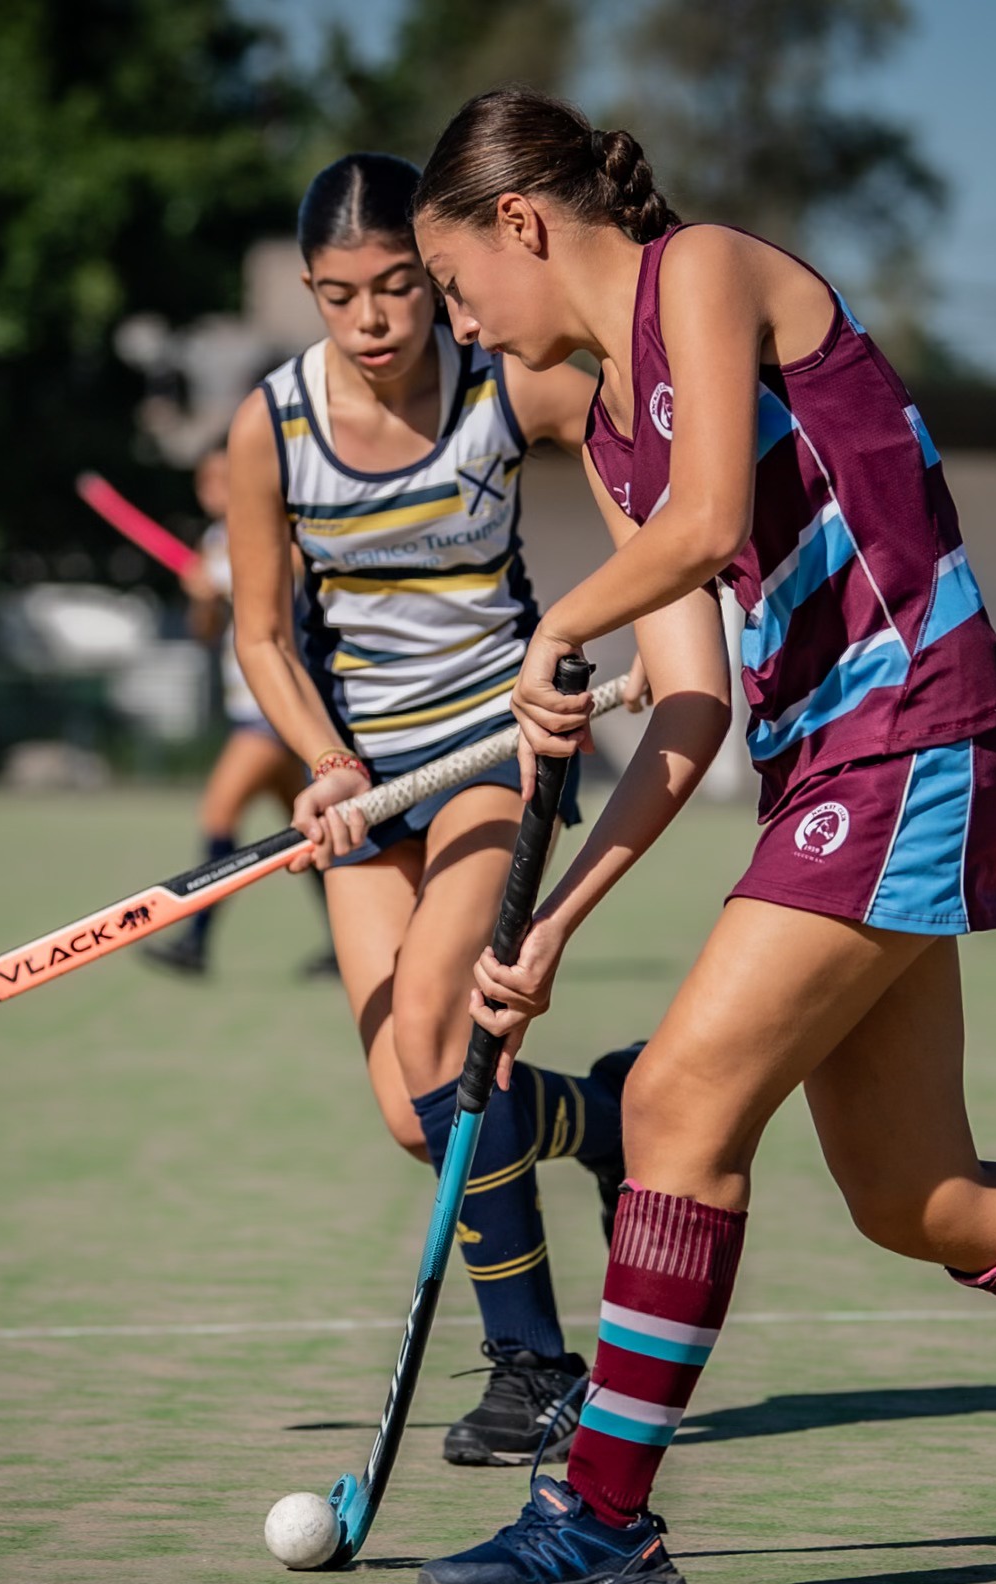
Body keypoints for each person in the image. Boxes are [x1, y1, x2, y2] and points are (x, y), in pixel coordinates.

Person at [402, 90, 996, 1584]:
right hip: (830, 777)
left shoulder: (697, 272)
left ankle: (602, 1519)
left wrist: (567, 623)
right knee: (920, 1198)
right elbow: (695, 708)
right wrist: (556, 924)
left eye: (455, 286)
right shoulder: (612, 455)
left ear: (520, 223)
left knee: (678, 1106)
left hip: (921, 733)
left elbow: (715, 513)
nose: (462, 323)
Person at [224, 153, 720, 1466]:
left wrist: (655, 585)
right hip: (363, 779)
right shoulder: (269, 428)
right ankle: (608, 1120)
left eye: (398, 287)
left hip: (498, 754)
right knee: (414, 1109)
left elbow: (643, 446)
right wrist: (325, 767)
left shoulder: (507, 383)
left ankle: (535, 1367)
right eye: (339, 297)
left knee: (446, 1033)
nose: (375, 323)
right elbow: (263, 637)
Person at [143, 449, 337, 980]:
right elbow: (207, 629)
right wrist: (202, 596)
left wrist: (222, 581)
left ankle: (194, 942)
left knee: (218, 814)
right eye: (205, 477)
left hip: (275, 708)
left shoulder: (281, 529)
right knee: (309, 836)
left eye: (223, 477)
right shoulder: (211, 542)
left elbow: (286, 577)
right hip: (245, 705)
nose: (210, 486)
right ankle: (348, 941)